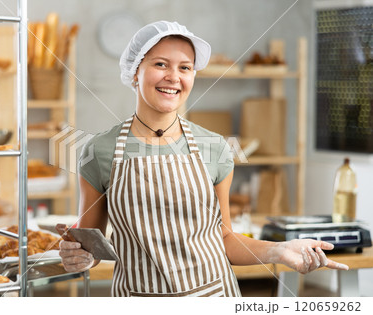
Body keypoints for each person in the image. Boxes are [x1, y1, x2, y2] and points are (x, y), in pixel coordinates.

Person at [59, 20, 349, 297]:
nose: (174, 77)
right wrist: (79, 257)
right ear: (135, 71)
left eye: (185, 67)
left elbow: (225, 239)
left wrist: (279, 250)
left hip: (214, 295)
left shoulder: (215, 148)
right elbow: (91, 245)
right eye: (161, 64)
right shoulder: (99, 150)